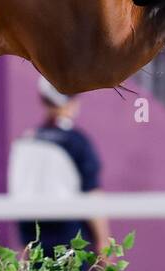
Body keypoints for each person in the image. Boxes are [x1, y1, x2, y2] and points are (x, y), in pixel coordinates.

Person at [8, 79, 111, 257]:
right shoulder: (76, 141)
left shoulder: (24, 141)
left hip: (32, 232)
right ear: (72, 101)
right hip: (68, 234)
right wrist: (103, 242)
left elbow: (18, 194)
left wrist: (23, 248)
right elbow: (92, 195)